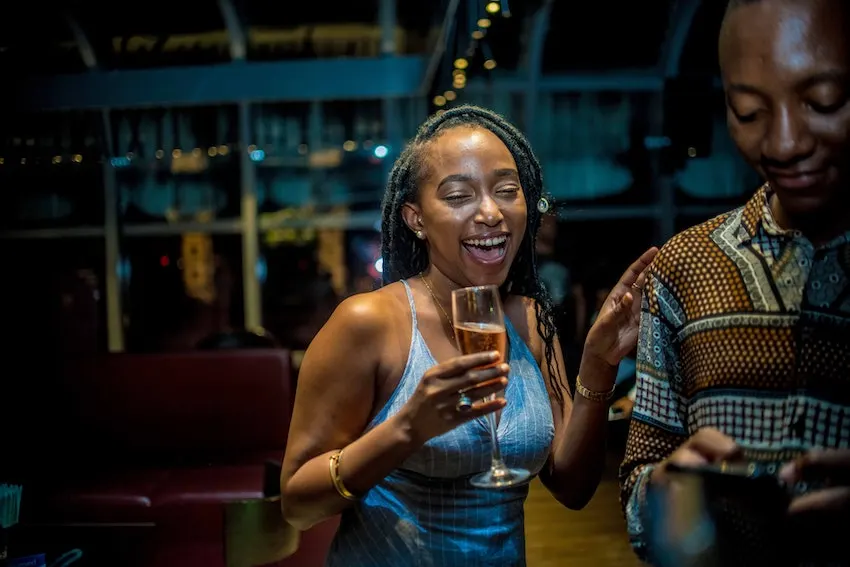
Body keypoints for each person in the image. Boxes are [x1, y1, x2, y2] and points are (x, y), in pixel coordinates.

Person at [281, 105, 657, 566]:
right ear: (416, 218)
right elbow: (298, 505)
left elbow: (574, 489)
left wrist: (600, 362)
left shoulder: (529, 321)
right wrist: (404, 432)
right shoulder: (369, 323)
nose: (490, 212)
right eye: (459, 196)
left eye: (506, 191)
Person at [620, 0, 850, 564]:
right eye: (748, 112)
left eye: (824, 102)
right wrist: (672, 500)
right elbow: (639, 495)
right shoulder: (684, 268)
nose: (785, 142)